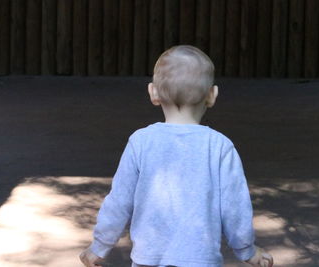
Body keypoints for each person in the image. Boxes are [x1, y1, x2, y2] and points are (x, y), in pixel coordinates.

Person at [80, 45, 273, 267]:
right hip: (201, 261)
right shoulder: (220, 146)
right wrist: (247, 250)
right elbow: (235, 206)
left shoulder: (141, 142)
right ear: (212, 96)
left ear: (153, 93)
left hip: (147, 260)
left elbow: (119, 200)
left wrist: (100, 246)